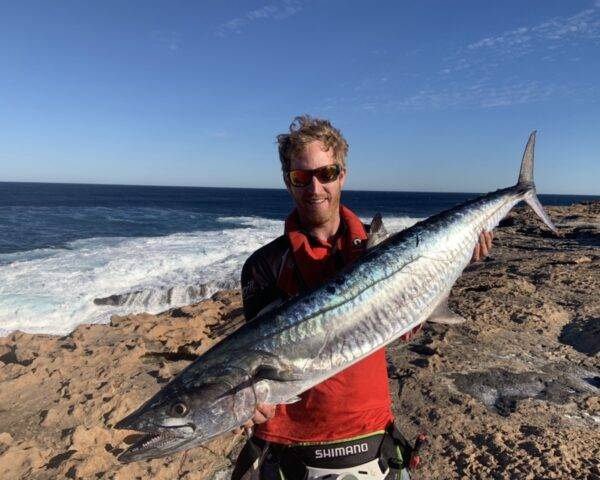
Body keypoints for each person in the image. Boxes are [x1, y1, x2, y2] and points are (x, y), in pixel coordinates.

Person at [232, 115, 493, 479]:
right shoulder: (264, 266)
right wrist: (253, 406)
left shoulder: (380, 248)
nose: (315, 187)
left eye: (326, 173)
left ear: (343, 174)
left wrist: (453, 262)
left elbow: (402, 329)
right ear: (288, 182)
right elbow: (258, 360)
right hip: (290, 445)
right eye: (301, 177)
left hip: (371, 436)